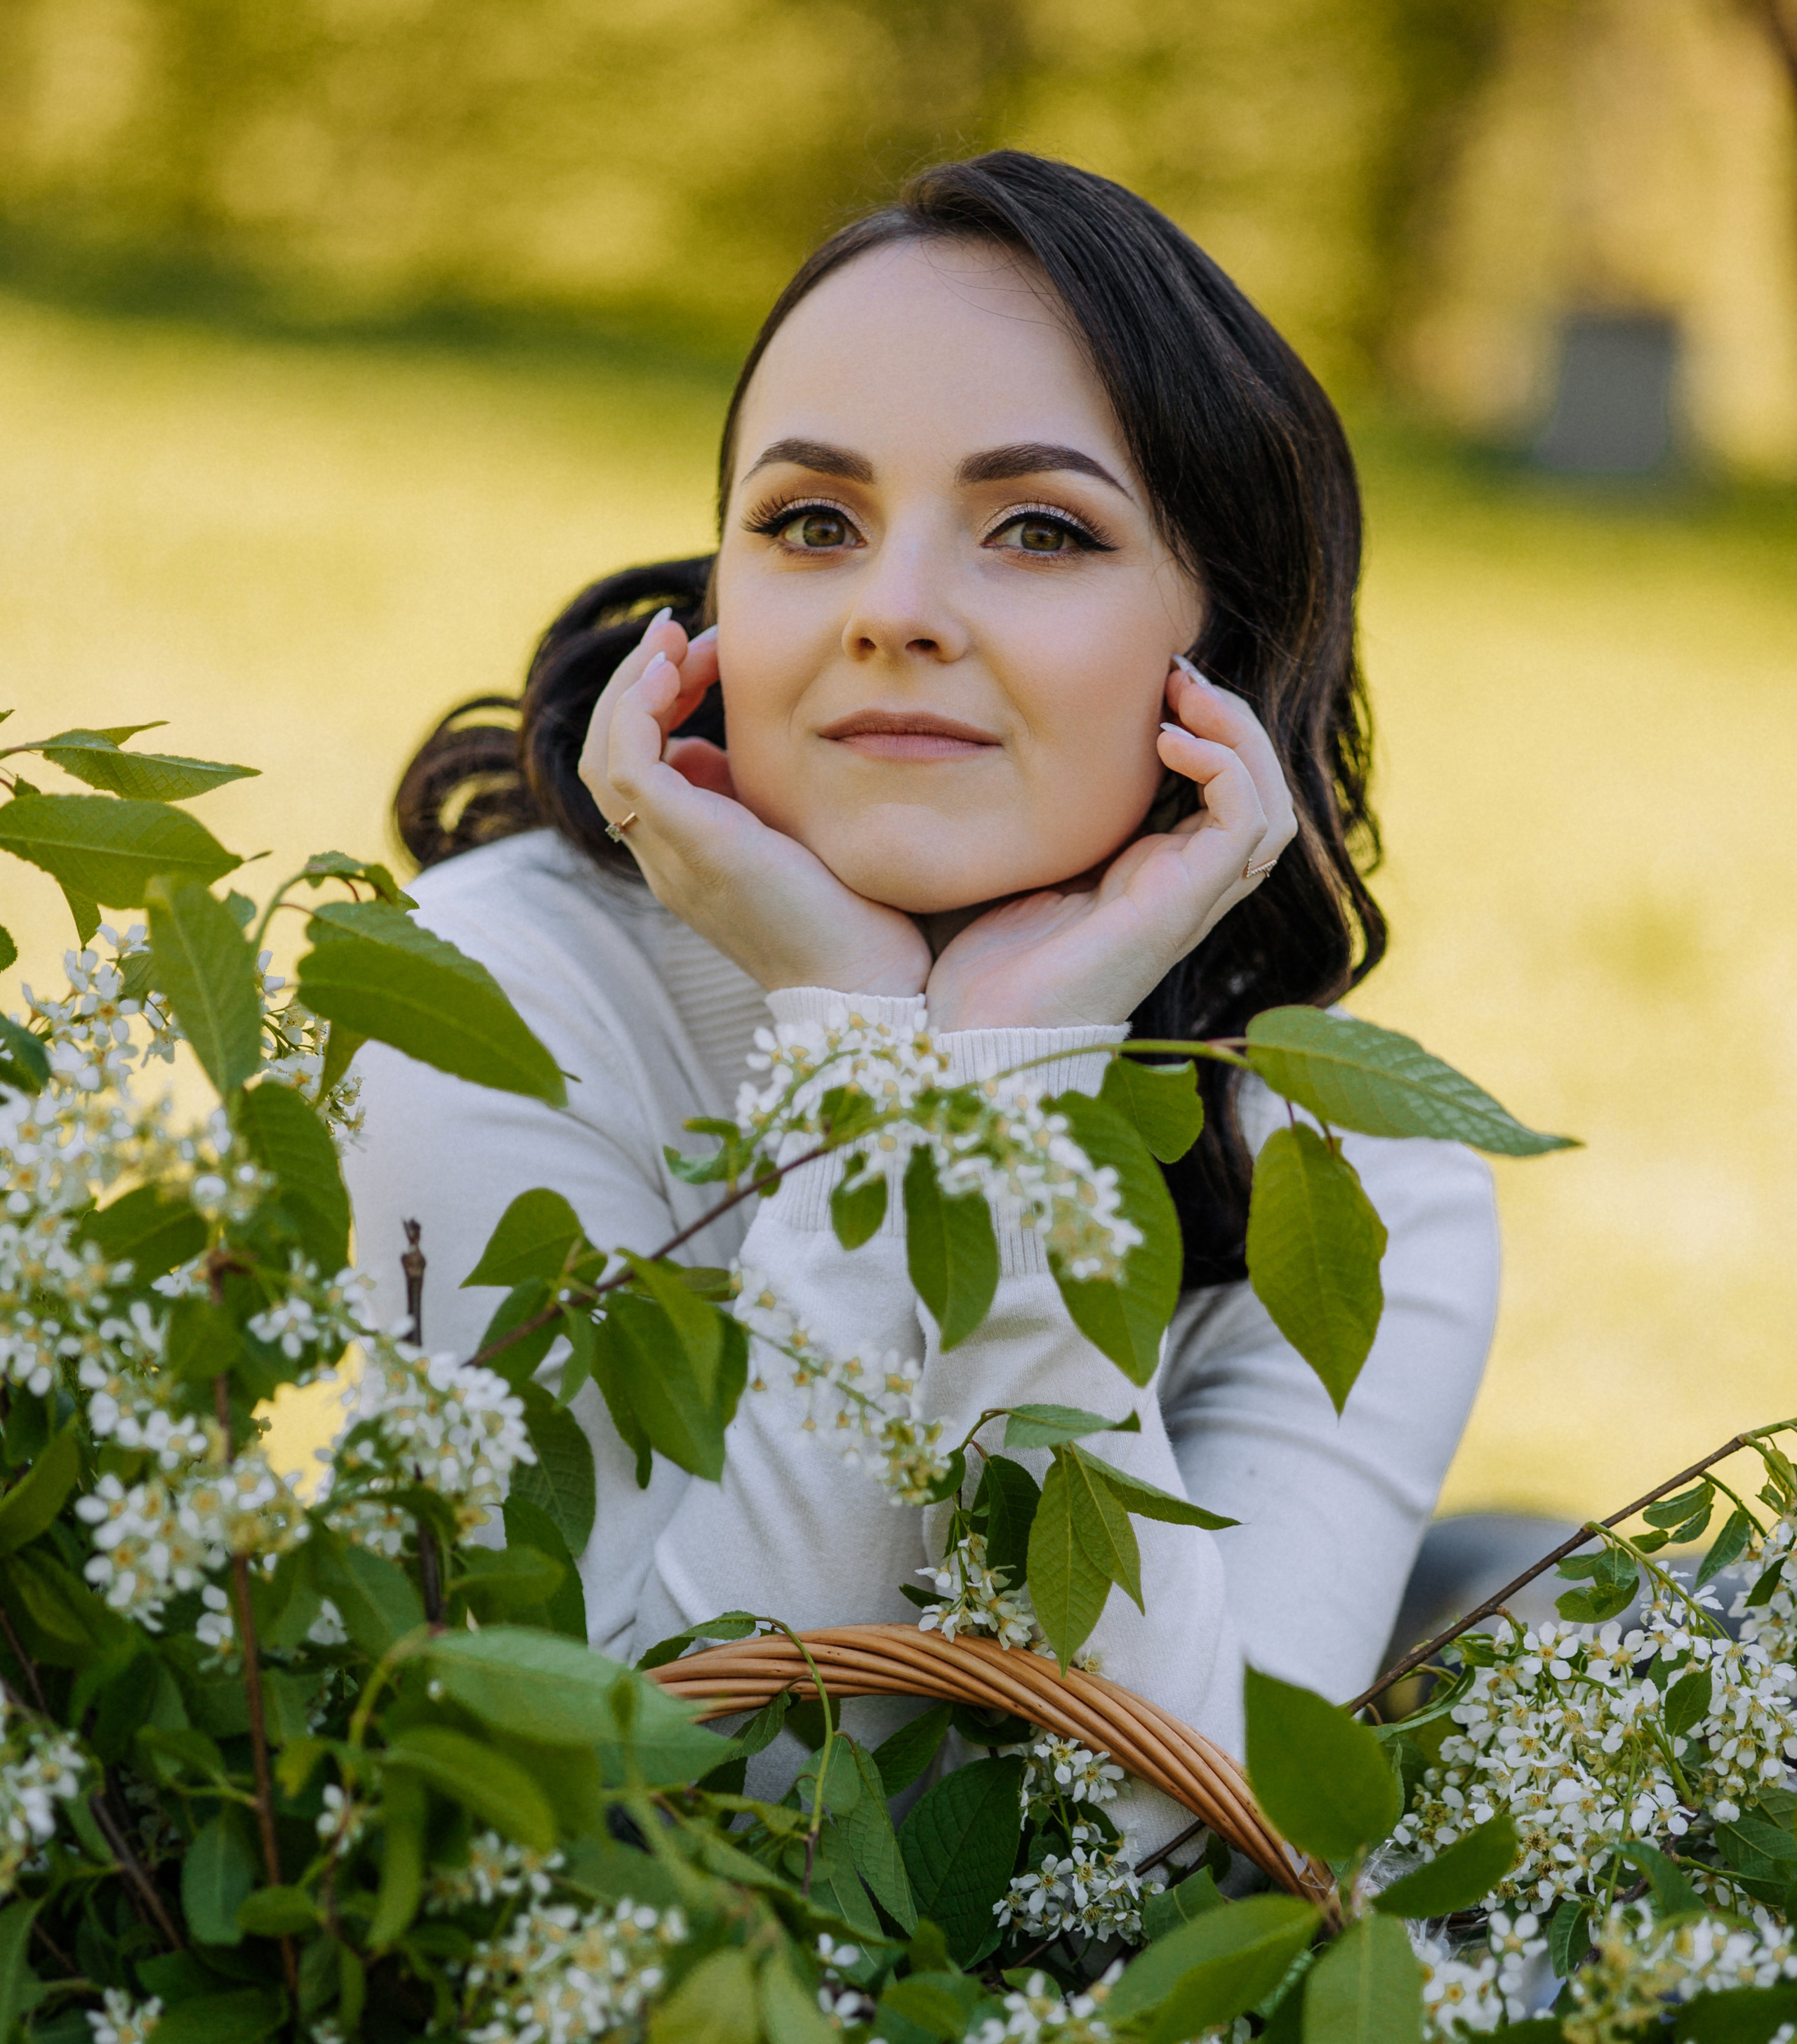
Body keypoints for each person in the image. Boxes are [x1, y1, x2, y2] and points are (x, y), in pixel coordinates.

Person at [354, 151, 1497, 1862]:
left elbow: (1150, 1847)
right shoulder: (488, 1003)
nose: (890, 614)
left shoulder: (1364, 1195)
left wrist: (1006, 1074)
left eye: (1040, 529)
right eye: (811, 522)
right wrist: (859, 1042)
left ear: (1221, 654)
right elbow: (664, 1817)